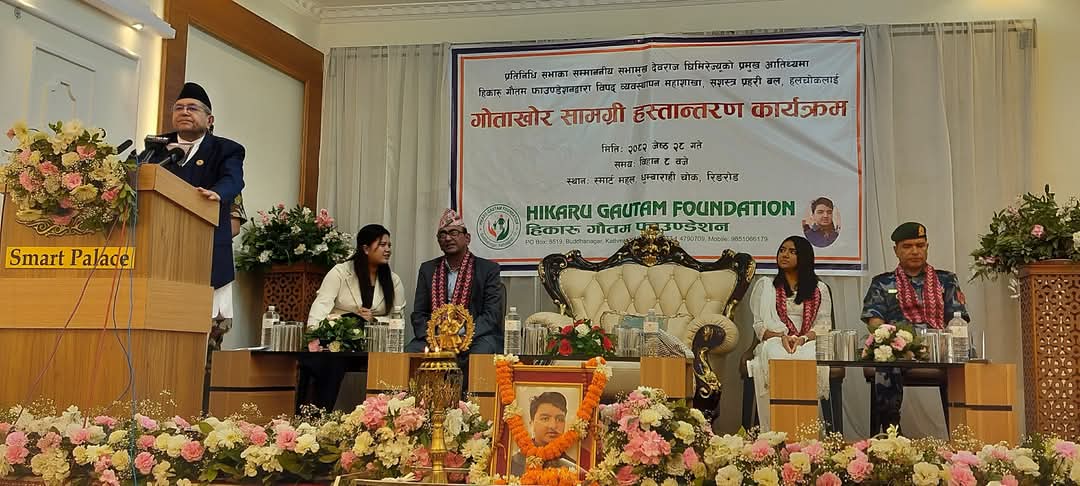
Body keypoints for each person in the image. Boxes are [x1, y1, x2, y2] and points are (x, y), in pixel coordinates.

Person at [164, 83, 244, 401]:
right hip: (162, 263)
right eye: (179, 107)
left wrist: (216, 195)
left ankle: (198, 412)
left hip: (208, 263)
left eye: (192, 108)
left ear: (209, 120)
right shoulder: (156, 149)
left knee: (203, 354)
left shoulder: (226, 150)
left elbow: (233, 180)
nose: (184, 112)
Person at [861, 222, 969, 432]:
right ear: (896, 250)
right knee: (886, 359)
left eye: (920, 245)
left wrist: (943, 344)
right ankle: (892, 428)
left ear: (927, 247)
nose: (915, 251)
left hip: (938, 347)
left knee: (965, 359)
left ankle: (962, 432)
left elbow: (958, 319)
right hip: (901, 348)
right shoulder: (882, 282)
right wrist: (895, 343)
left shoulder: (946, 280)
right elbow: (874, 321)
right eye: (907, 246)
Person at [304, 224, 405, 409]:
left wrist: (374, 320)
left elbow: (398, 319)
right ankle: (322, 412)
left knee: (395, 362)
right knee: (329, 361)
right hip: (341, 343)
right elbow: (320, 307)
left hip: (377, 344)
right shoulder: (340, 272)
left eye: (389, 245)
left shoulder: (393, 280)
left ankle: (385, 413)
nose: (388, 250)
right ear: (365, 248)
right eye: (382, 245)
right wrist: (314, 336)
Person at [746, 236, 833, 431]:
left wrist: (802, 339)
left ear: (804, 257)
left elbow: (823, 325)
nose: (784, 255)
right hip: (776, 339)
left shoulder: (819, 289)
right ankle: (776, 428)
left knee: (808, 355)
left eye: (792, 252)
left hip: (807, 340)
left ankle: (805, 428)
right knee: (776, 351)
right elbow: (759, 326)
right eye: (782, 250)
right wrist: (781, 337)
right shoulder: (767, 286)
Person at [405, 209, 503, 355]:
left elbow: (491, 314)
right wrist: (436, 334)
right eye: (442, 234)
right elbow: (419, 314)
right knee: (410, 352)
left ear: (467, 238)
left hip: (476, 336)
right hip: (436, 336)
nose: (447, 238)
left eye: (454, 233)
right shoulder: (428, 269)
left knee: (479, 353)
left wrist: (461, 333)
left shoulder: (488, 269)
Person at [509, 392, 580, 476]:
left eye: (560, 419)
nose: (553, 426)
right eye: (545, 419)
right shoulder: (513, 464)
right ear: (532, 423)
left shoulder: (573, 468)